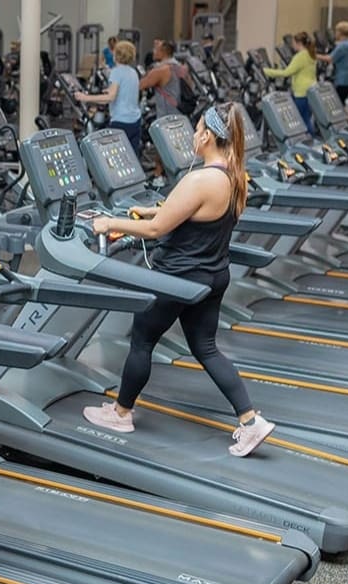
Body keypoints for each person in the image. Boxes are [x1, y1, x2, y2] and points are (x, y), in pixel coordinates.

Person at [82, 104, 276, 457]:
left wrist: (109, 224)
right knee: (206, 348)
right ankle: (250, 421)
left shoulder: (200, 179)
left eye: (197, 128)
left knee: (142, 341)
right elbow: (198, 212)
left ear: (206, 136)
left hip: (178, 279)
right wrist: (158, 208)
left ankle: (121, 413)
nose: (192, 135)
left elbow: (157, 230)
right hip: (213, 276)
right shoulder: (235, 176)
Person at [75, 40, 145, 154]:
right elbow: (125, 90)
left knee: (116, 157)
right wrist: (110, 90)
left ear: (116, 55)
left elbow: (110, 98)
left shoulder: (116, 72)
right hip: (135, 121)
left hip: (121, 122)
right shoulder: (133, 72)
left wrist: (85, 97)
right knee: (132, 158)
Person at [262, 32, 318, 133]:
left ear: (299, 43)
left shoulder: (300, 56)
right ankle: (312, 141)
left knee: (297, 120)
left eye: (293, 43)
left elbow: (287, 72)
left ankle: (302, 142)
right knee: (306, 120)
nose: (292, 45)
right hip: (310, 90)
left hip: (301, 92)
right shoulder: (311, 53)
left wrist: (265, 71)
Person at [141, 40, 191, 117]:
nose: (153, 51)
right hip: (182, 114)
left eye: (155, 49)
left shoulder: (160, 70)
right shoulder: (181, 67)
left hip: (166, 118)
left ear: (162, 52)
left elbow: (140, 85)